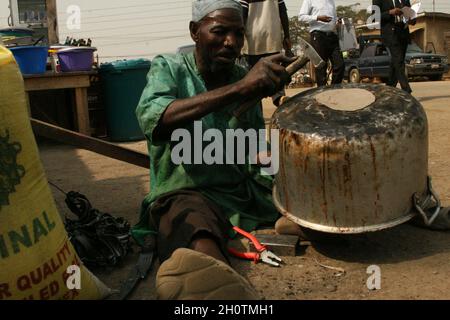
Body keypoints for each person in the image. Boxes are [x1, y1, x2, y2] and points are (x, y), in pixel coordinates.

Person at [134, 0, 295, 300]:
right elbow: (155, 120)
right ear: (195, 31)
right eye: (219, 32)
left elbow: (253, 148)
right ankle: (216, 286)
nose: (231, 42)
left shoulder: (242, 77)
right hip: (185, 192)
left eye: (238, 33)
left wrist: (281, 176)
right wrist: (239, 90)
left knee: (298, 200)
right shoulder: (168, 68)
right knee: (194, 225)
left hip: (237, 193)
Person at [240, 0, 293, 106]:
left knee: (253, 85)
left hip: (252, 43)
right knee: (276, 81)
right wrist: (287, 35)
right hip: (272, 39)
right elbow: (283, 12)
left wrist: (239, 39)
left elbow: (243, 15)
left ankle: (256, 114)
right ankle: (279, 98)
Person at [298, 0, 345, 87]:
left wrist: (337, 22)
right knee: (321, 68)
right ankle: (321, 92)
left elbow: (333, 19)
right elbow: (301, 17)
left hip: (332, 36)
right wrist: (318, 17)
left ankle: (334, 90)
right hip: (318, 35)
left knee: (340, 65)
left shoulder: (331, 1)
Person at [373, 0, 415, 94]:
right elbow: (374, 17)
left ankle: (389, 89)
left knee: (395, 63)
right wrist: (390, 12)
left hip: (403, 33)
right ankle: (406, 90)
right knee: (399, 61)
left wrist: (412, 19)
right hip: (391, 34)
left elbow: (411, 16)